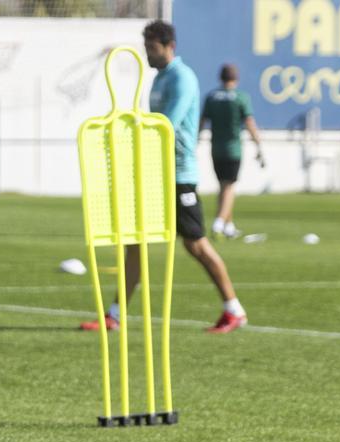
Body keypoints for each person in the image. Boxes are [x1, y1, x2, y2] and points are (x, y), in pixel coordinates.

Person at [80, 20, 247, 334]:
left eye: (152, 49)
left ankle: (234, 309)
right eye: (146, 49)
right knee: (134, 242)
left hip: (178, 174)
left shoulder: (182, 78)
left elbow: (165, 125)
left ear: (170, 46)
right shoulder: (159, 78)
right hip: (155, 172)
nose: (148, 55)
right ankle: (114, 315)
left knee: (195, 244)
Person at [201, 63, 264, 239]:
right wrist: (258, 144)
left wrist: (196, 140)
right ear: (236, 78)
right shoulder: (240, 97)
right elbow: (249, 122)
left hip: (215, 148)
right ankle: (219, 222)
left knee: (222, 185)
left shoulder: (211, 97)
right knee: (229, 186)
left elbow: (202, 121)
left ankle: (229, 226)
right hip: (233, 149)